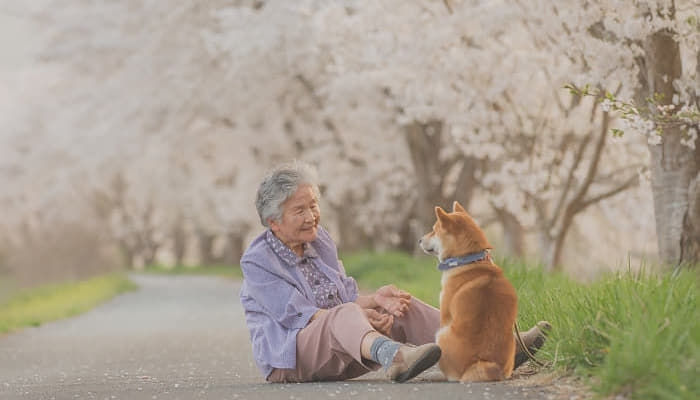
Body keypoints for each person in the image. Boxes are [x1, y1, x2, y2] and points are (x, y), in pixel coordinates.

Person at [240, 162, 548, 383]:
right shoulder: (257, 261)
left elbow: (342, 298)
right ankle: (396, 358)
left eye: (314, 205)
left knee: (402, 306)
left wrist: (377, 301)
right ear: (274, 223)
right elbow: (302, 315)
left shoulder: (318, 240)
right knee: (346, 313)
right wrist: (359, 315)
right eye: (300, 210)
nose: (312, 216)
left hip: (345, 348)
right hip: (291, 360)